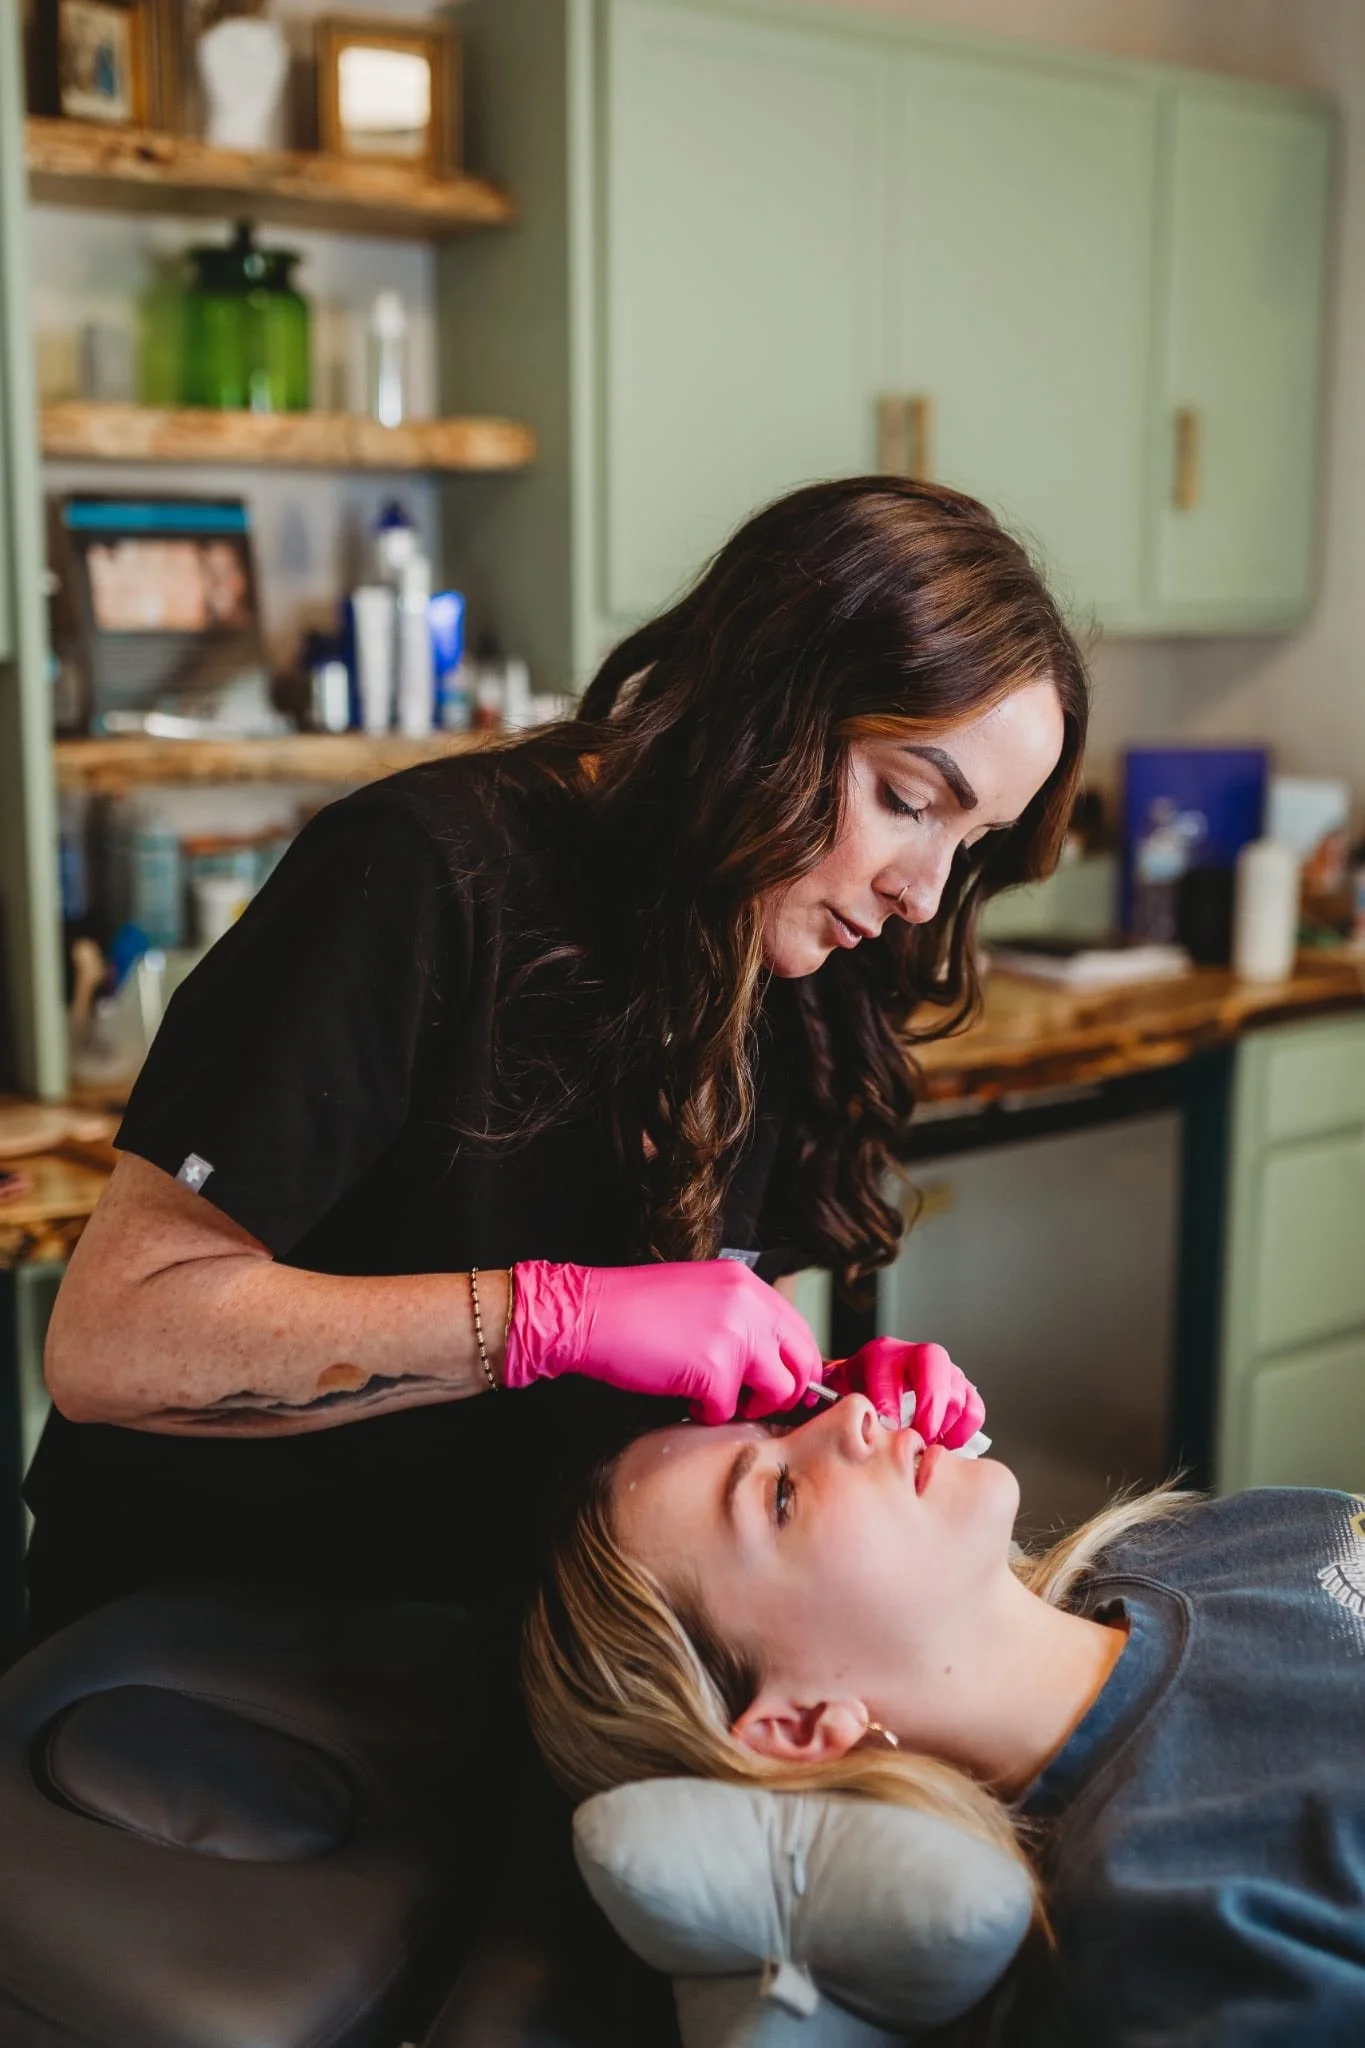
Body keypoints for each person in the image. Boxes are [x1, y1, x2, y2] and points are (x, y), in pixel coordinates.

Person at [31, 476, 1084, 1647]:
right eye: (903, 799)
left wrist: (817, 1416)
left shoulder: (804, 961)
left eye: (970, 840)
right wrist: (549, 1314)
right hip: (201, 1637)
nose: (924, 890)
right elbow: (109, 1343)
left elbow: (696, 1378)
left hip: (491, 1638)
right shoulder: (424, 876)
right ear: (768, 705)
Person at [524, 1395, 1365, 2045]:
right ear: (800, 1724)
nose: (849, 1415)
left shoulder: (1205, 1539)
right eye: (779, 1493)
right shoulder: (1174, 1924)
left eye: (789, 1417)